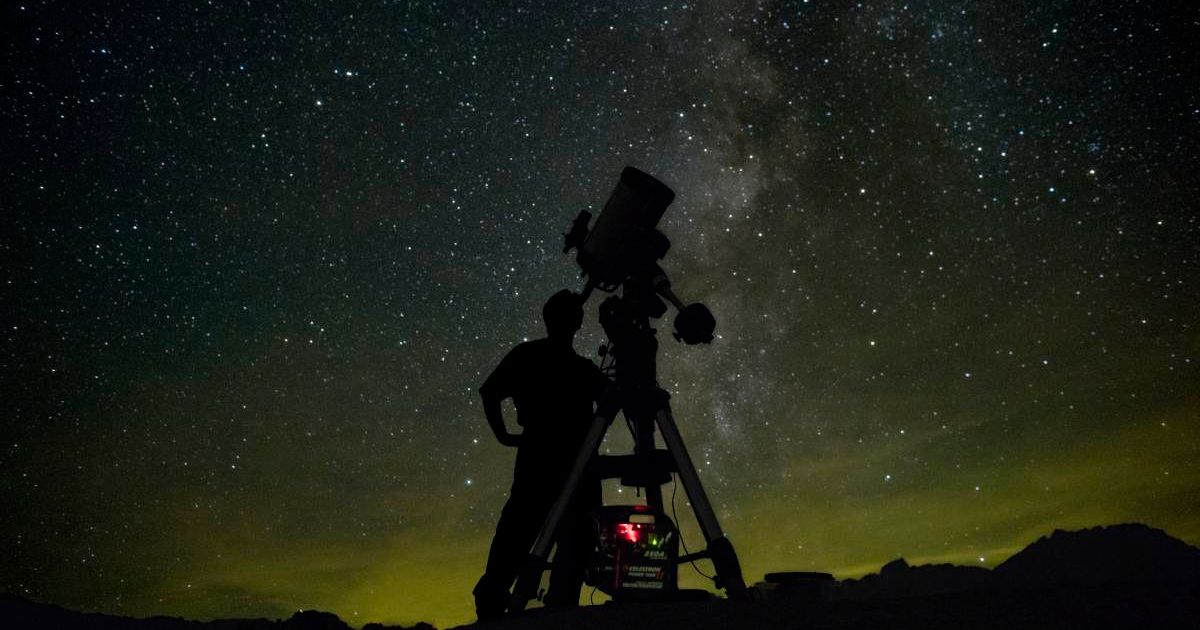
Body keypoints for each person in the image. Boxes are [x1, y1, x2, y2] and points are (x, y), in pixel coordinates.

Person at [472, 289, 608, 620]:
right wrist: (504, 435)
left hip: (543, 455)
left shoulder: (528, 355)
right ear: (576, 323)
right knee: (556, 535)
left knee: (519, 532)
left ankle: (495, 602)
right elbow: (489, 392)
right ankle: (557, 605)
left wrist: (504, 435)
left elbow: (490, 392)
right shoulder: (582, 369)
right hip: (571, 460)